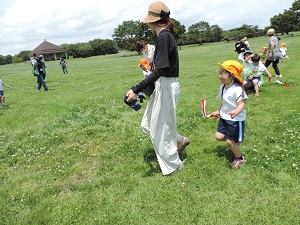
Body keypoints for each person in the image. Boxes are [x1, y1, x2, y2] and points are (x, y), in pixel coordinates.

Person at [125, 1, 190, 175]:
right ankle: (179, 140)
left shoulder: (163, 36)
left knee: (160, 129)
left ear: (152, 21)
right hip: (164, 84)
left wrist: (136, 88)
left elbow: (161, 69)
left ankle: (174, 164)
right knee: (148, 124)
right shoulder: (164, 35)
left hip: (167, 85)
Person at [212, 60, 248, 168]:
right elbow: (223, 102)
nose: (220, 76)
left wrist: (235, 112)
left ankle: (239, 158)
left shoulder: (237, 89)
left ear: (231, 75)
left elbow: (242, 103)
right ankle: (235, 143)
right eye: (220, 73)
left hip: (235, 120)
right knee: (218, 137)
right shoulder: (222, 87)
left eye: (223, 73)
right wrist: (218, 111)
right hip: (224, 117)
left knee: (229, 140)